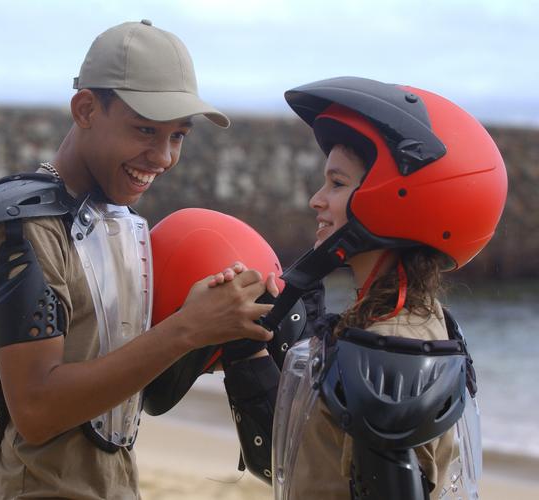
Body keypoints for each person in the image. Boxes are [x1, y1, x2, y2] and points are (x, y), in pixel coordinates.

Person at [0, 20, 276, 500]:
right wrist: (186, 328)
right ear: (85, 109)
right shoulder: (27, 228)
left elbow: (145, 396)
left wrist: (218, 330)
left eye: (178, 136)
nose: (162, 156)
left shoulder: (120, 225)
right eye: (145, 129)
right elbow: (37, 410)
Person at [210, 77, 506, 499]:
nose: (317, 199)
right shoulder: (405, 325)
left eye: (337, 183)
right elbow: (299, 460)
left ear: (395, 199)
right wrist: (254, 354)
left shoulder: (388, 353)